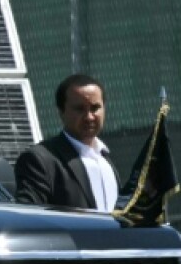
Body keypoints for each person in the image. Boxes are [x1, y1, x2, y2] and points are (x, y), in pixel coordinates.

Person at [15, 73, 120, 210]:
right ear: (61, 112)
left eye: (95, 108)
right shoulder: (39, 160)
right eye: (79, 109)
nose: (89, 117)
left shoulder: (105, 159)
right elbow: (30, 217)